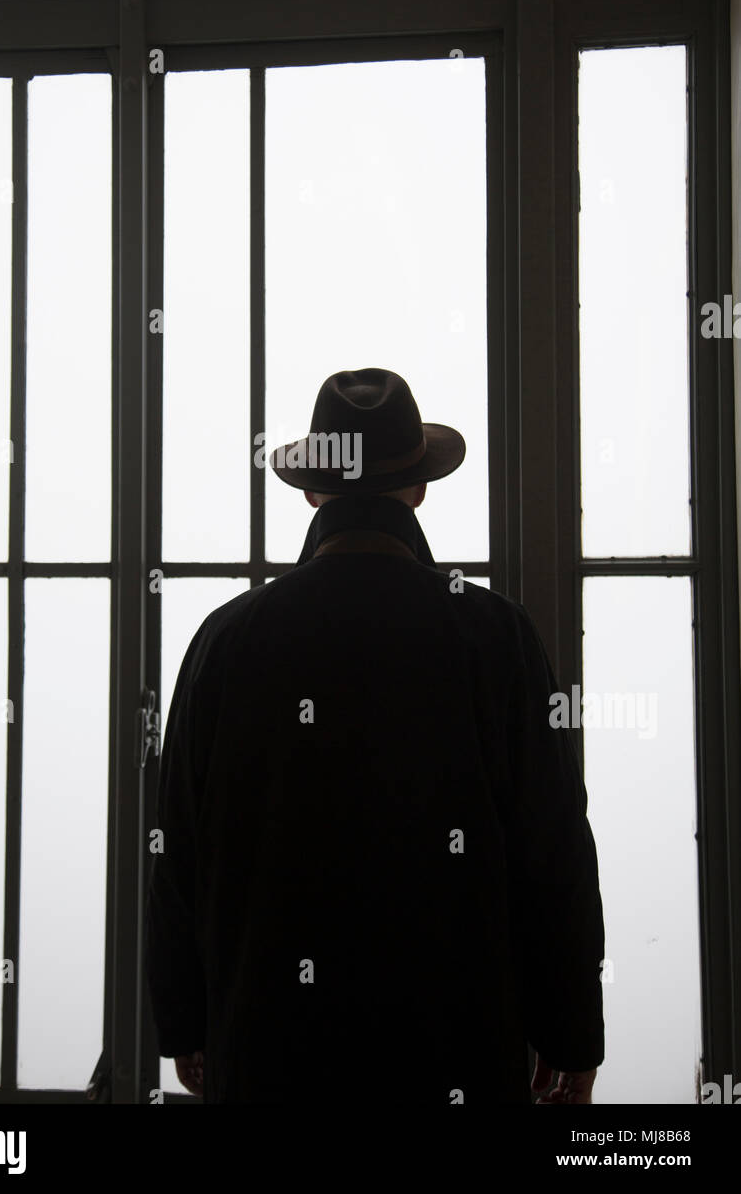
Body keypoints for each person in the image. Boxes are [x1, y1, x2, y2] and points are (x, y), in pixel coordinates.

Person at [145, 367, 605, 1104]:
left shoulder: (227, 641)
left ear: (310, 490)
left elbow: (178, 849)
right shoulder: (494, 636)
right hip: (458, 1050)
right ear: (419, 487)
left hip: (270, 1049)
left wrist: (186, 1022)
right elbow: (552, 843)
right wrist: (572, 1028)